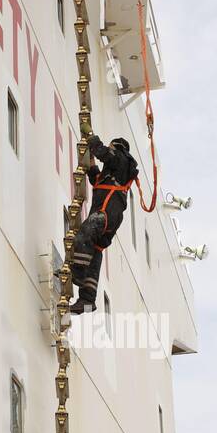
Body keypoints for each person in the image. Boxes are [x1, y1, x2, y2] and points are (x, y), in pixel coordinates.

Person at [69, 135, 139, 314]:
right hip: (110, 217)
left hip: (106, 214)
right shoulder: (113, 173)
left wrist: (93, 140)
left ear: (116, 147)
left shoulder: (121, 159)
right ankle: (87, 300)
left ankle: (77, 272)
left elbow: (106, 154)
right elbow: (96, 178)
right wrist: (90, 160)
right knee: (95, 251)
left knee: (84, 233)